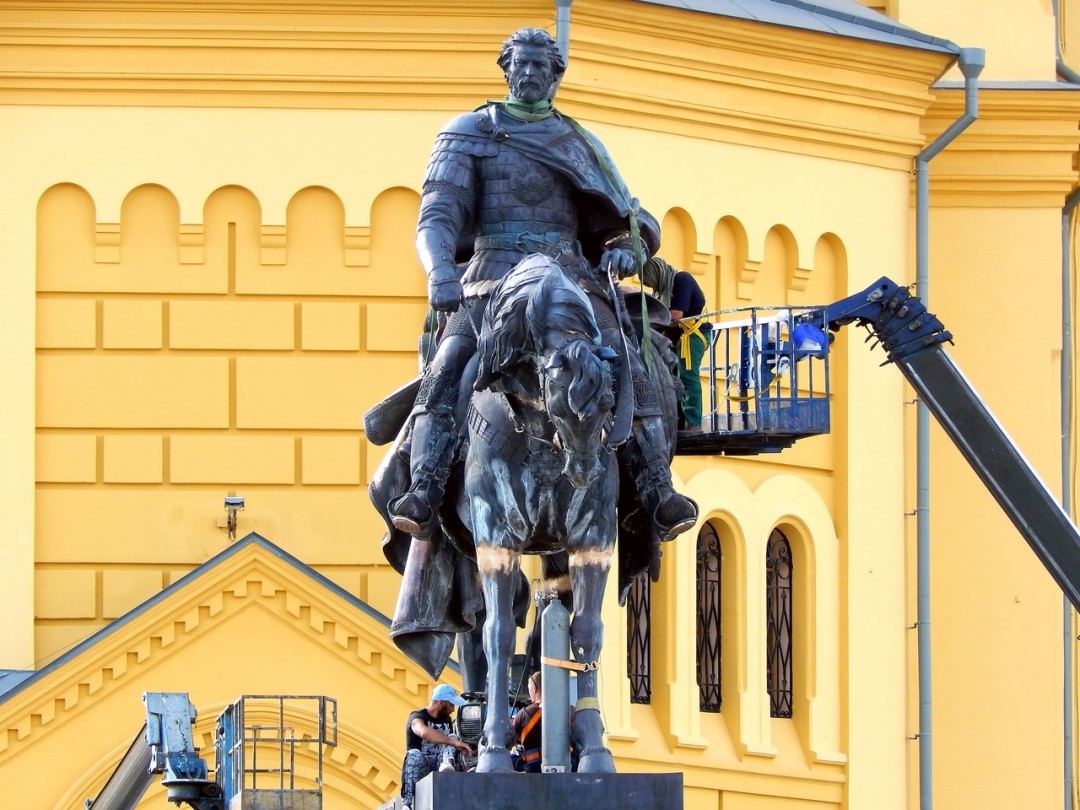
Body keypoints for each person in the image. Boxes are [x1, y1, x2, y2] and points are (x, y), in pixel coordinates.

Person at [388, 26, 697, 543]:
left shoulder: (577, 142)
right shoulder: (469, 133)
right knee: (449, 367)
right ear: (505, 70)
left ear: (556, 77)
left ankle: (658, 488)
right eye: (521, 64)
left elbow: (630, 219)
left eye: (541, 67)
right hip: (490, 280)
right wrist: (441, 271)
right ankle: (424, 488)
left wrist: (624, 244)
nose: (530, 73)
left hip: (572, 280)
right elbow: (438, 214)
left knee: (630, 363)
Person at [640, 256, 710, 431]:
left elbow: (676, 314)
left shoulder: (681, 280)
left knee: (687, 375)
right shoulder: (662, 291)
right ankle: (678, 422)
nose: (652, 287)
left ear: (657, 274)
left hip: (692, 336)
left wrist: (648, 323)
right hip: (674, 338)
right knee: (670, 378)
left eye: (650, 281)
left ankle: (693, 422)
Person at [400, 684, 473, 810]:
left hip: (439, 764)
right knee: (413, 754)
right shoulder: (417, 717)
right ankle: (407, 803)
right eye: (451, 705)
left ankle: (447, 764)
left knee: (453, 737)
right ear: (441, 702)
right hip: (421, 765)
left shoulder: (447, 720)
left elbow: (451, 741)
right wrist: (452, 742)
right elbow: (423, 731)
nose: (453, 709)